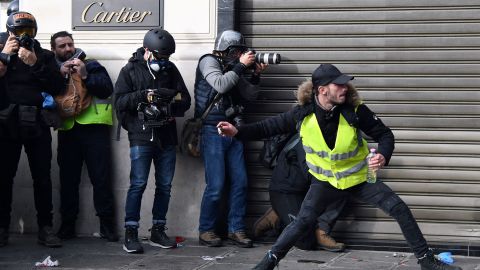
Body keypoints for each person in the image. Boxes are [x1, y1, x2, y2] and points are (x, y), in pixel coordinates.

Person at [217, 63, 463, 270]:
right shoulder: (302, 114)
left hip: (358, 178)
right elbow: (266, 127)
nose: (345, 88)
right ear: (323, 90)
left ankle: (426, 261)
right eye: (339, 85)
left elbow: (385, 134)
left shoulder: (355, 111)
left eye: (346, 84)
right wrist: (237, 131)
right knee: (301, 223)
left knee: (398, 208)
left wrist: (383, 156)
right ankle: (266, 264)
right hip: (325, 182)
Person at [114, 28, 191, 254]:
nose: (164, 61)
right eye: (159, 57)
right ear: (147, 51)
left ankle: (158, 230)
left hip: (166, 135)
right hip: (141, 136)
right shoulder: (129, 70)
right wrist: (144, 96)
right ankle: (130, 233)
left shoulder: (171, 70)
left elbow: (184, 99)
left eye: (167, 58)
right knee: (138, 184)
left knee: (164, 186)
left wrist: (168, 102)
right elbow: (119, 102)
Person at [195, 30, 267, 248]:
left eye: (241, 53)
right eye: (237, 52)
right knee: (216, 185)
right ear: (226, 49)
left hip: (234, 130)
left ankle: (236, 229)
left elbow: (251, 95)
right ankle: (206, 230)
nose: (240, 56)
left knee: (241, 182)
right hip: (212, 129)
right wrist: (241, 66)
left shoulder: (235, 68)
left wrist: (254, 74)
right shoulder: (208, 61)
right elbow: (220, 84)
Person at [0, 11, 64, 248]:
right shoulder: (2, 53)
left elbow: (57, 86)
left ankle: (45, 228)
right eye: (19, 32)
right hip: (6, 124)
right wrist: (5, 56)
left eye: (29, 31)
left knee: (43, 178)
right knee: (4, 178)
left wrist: (35, 63)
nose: (24, 36)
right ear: (9, 32)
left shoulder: (44, 56)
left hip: (36, 124)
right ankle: (2, 227)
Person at [50, 31, 118, 242]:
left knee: (101, 179)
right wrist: (60, 74)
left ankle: (107, 226)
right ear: (54, 50)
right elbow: (46, 90)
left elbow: (107, 89)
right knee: (68, 181)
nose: (68, 49)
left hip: (94, 129)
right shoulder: (53, 69)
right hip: (68, 131)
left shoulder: (92, 64)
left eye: (70, 44)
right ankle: (67, 226)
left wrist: (85, 74)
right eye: (62, 46)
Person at [254, 132, 348, 252]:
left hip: (305, 190)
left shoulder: (333, 136)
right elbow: (311, 173)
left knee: (346, 184)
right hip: (285, 192)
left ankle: (322, 231)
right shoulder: (305, 139)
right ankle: (275, 217)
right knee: (305, 242)